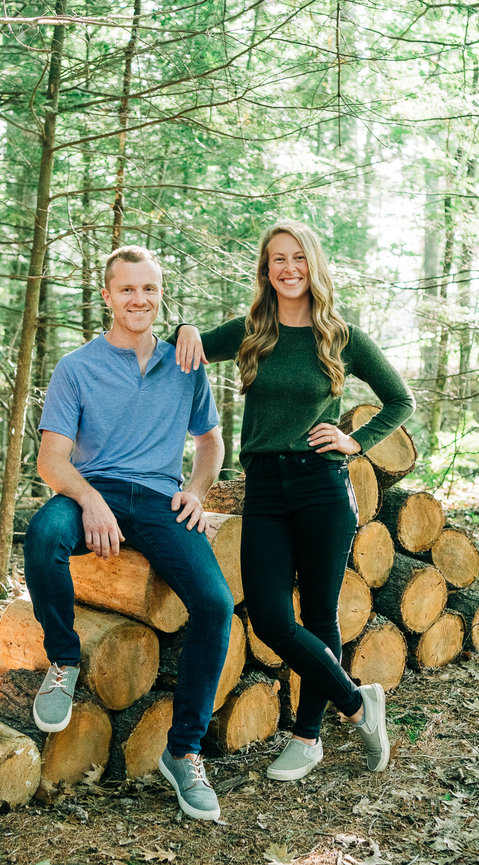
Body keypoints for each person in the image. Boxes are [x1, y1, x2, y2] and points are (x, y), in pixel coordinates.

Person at [173, 219, 416, 781]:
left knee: (320, 614)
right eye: (277, 259)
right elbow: (184, 349)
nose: (288, 268)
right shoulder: (250, 331)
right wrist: (184, 325)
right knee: (270, 617)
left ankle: (308, 737)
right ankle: (358, 704)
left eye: (298, 257)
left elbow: (400, 400)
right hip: (263, 488)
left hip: (321, 486)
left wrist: (355, 441)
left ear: (313, 265)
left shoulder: (342, 337)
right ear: (266, 270)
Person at [24, 245, 234, 821]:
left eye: (149, 289)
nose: (139, 299)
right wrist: (90, 500)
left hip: (163, 500)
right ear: (107, 296)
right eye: (127, 289)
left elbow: (211, 441)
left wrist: (197, 491)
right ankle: (65, 661)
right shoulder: (76, 368)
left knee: (216, 604)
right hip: (96, 489)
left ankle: (183, 751)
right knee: (43, 535)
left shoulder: (185, 363)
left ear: (160, 295)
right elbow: (51, 461)